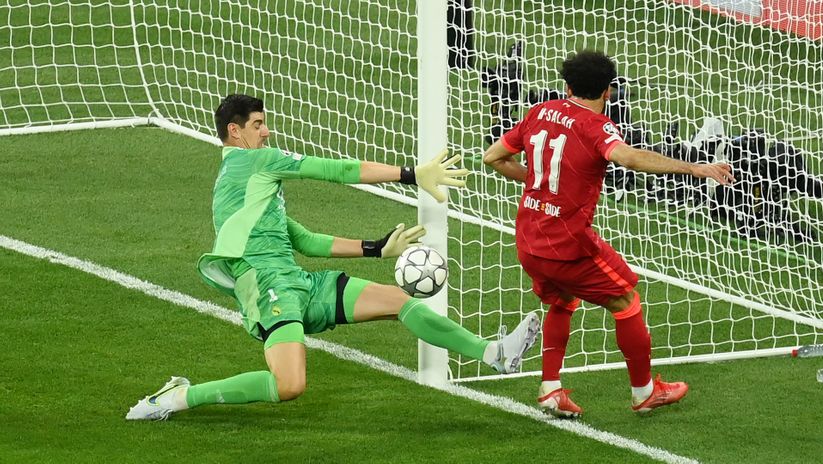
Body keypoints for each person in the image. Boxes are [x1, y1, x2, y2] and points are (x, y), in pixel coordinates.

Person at [126, 94, 540, 421]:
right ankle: (179, 396)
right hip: (269, 286)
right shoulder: (253, 162)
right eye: (258, 125)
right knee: (289, 385)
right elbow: (336, 170)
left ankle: (493, 354)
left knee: (398, 301)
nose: (267, 132)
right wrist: (411, 175)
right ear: (234, 132)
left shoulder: (249, 189)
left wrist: (376, 247)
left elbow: (303, 240)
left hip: (299, 283)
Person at [483, 51, 735, 417]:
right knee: (626, 301)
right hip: (568, 243)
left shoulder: (540, 112)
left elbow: (492, 157)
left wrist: (536, 182)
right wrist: (694, 168)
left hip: (528, 238)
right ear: (609, 91)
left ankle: (551, 388)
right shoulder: (597, 127)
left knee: (563, 300)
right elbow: (628, 158)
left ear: (567, 86)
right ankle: (644, 393)